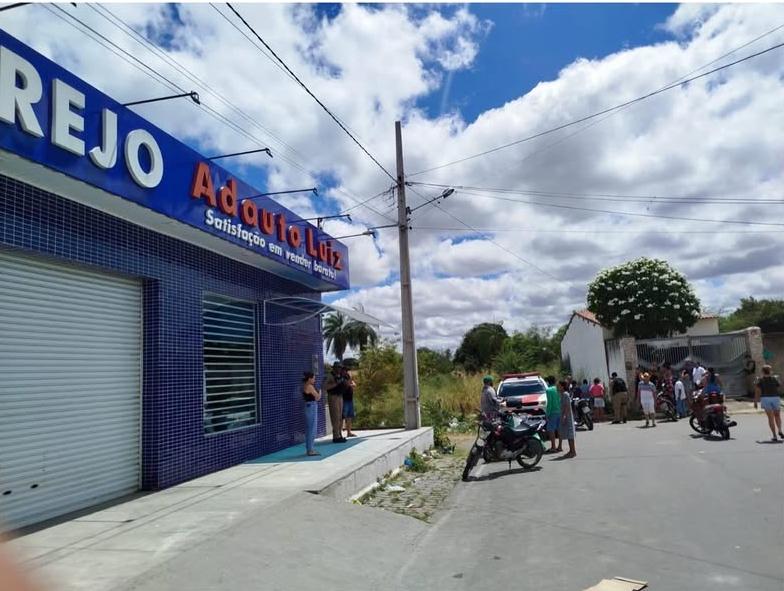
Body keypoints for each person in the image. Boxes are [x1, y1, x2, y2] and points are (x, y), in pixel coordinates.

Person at [754, 365, 783, 442]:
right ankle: (780, 430)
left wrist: (755, 402)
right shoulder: (774, 378)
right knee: (777, 415)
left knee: (771, 418)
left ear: (762, 371)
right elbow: (779, 386)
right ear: (770, 371)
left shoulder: (759, 380)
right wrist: (777, 379)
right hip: (775, 397)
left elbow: (757, 391)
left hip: (765, 398)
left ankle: (774, 435)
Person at [324, 364, 347, 443]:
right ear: (334, 368)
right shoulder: (330, 376)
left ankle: (339, 434)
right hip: (333, 397)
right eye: (338, 368)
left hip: (340, 396)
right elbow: (325, 386)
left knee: (340, 417)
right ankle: (336, 436)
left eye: (340, 368)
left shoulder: (339, 375)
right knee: (335, 416)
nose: (339, 369)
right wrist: (336, 384)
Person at [302, 372, 322, 456]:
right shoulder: (309, 386)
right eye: (313, 378)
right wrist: (320, 392)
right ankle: (310, 450)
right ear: (309, 378)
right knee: (312, 428)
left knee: (309, 428)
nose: (314, 380)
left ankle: (309, 448)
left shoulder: (305, 385)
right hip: (312, 407)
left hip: (308, 406)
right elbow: (317, 397)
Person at [559, 380, 577, 458]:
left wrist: (564, 416)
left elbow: (567, 406)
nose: (557, 387)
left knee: (570, 434)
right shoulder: (562, 394)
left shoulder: (565, 394)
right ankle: (571, 450)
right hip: (565, 416)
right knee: (568, 434)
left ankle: (573, 451)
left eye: (559, 386)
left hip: (567, 417)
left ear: (562, 386)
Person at [544, 375, 562, 453]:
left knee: (551, 430)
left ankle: (553, 447)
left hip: (552, 412)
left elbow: (549, 403)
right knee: (559, 429)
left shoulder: (548, 390)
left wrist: (547, 414)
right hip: (560, 411)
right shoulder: (558, 389)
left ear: (548, 382)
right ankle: (560, 446)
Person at [341, 366, 357, 437]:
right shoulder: (342, 378)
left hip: (350, 399)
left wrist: (351, 383)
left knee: (349, 417)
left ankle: (349, 432)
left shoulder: (348, 378)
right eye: (345, 371)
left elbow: (354, 385)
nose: (347, 372)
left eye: (347, 371)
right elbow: (347, 385)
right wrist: (351, 384)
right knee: (342, 417)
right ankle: (339, 433)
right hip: (344, 400)